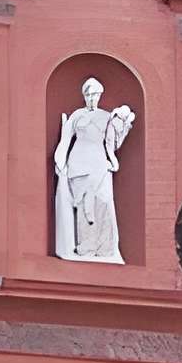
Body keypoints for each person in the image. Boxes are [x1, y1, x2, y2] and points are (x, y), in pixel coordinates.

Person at [53, 78, 134, 261]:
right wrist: (61, 163)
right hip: (79, 164)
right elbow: (65, 140)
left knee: (104, 204)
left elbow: (112, 144)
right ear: (84, 95)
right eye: (88, 94)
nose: (91, 98)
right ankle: (87, 248)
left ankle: (105, 249)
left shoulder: (107, 117)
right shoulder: (77, 115)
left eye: (95, 94)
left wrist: (123, 125)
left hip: (99, 164)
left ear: (100, 95)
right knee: (84, 207)